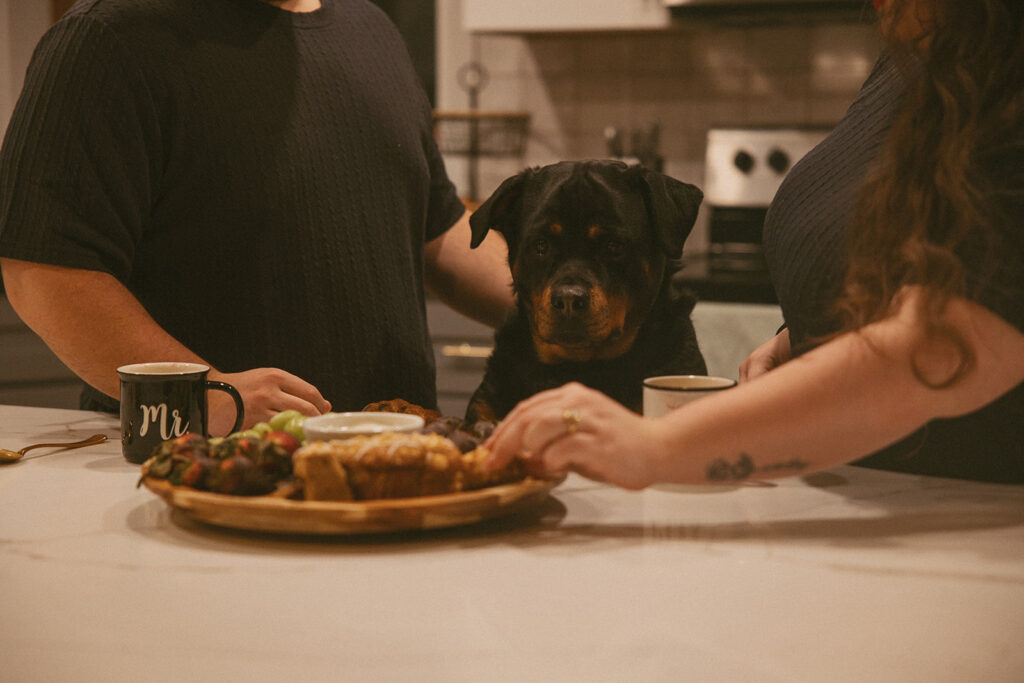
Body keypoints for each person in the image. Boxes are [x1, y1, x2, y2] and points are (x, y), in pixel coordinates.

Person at [484, 0, 1023, 485]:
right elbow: (914, 251)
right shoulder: (923, 52)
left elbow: (948, 341)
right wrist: (804, 336)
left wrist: (659, 446)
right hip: (853, 494)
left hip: (967, 519)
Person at [0, 0, 513, 435]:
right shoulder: (107, 40)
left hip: (392, 464)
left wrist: (571, 304)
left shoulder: (373, 31)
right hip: (207, 477)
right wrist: (207, 395)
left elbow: (439, 231)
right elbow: (45, 272)